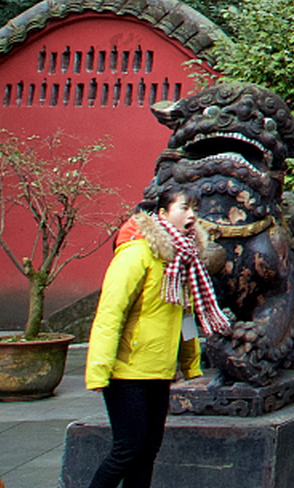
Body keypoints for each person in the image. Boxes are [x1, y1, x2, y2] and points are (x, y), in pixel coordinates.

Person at [84, 185, 230, 488]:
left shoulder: (184, 261)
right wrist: (98, 369)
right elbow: (110, 314)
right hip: (127, 371)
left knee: (148, 450)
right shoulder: (137, 254)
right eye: (184, 208)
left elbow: (184, 315)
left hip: (159, 370)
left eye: (195, 209)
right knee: (127, 448)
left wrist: (190, 364)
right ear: (162, 213)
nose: (192, 215)